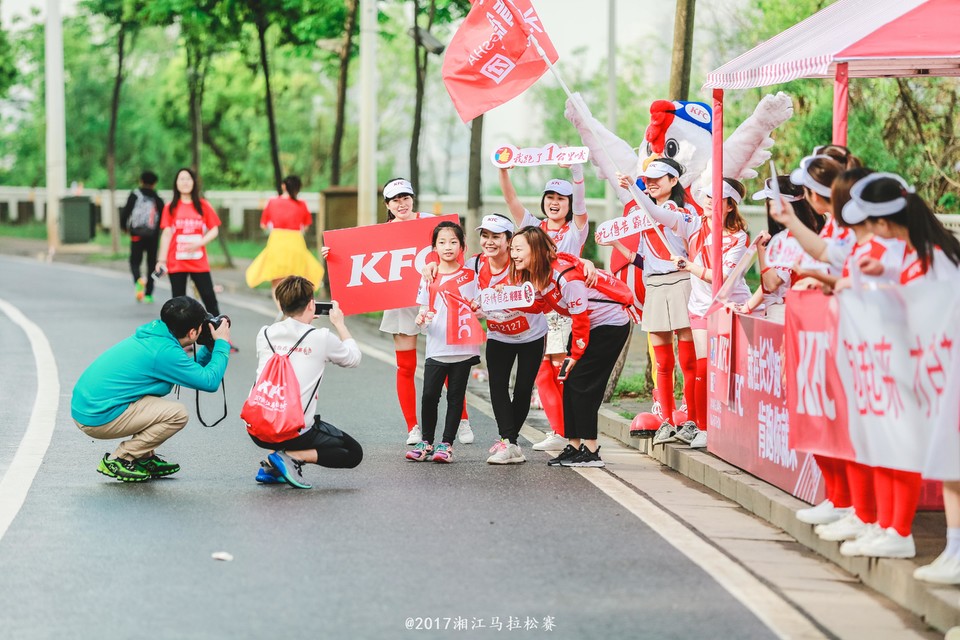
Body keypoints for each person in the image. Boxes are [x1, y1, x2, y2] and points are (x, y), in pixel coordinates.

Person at [832, 173, 960, 561]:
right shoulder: (913, 253)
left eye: (869, 226)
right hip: (912, 369)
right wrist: (882, 277)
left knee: (939, 461)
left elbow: (935, 307)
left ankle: (907, 533)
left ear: (884, 224)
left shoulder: (934, 257)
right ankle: (895, 529)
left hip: (935, 374)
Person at [322, 178, 472, 446]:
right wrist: (333, 254)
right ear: (387, 205)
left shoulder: (432, 224)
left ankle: (462, 419)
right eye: (395, 200)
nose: (401, 204)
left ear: (413, 199)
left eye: (405, 198)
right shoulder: (380, 234)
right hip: (401, 303)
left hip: (439, 299)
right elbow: (354, 257)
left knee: (451, 363)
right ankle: (413, 427)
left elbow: (459, 250)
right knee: (406, 366)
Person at [632, 177, 751, 449]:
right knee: (701, 366)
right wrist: (631, 186)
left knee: (727, 368)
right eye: (707, 197)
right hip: (699, 307)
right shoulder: (694, 223)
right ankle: (698, 425)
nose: (708, 202)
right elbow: (655, 212)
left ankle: (726, 425)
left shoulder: (738, 237)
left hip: (729, 306)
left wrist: (687, 266)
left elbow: (719, 278)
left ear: (730, 206)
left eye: (715, 198)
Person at [71, 296, 231, 482]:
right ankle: (122, 457)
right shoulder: (164, 352)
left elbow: (185, 370)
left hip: (90, 407)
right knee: (177, 414)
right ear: (193, 332)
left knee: (154, 403)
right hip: (96, 416)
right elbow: (209, 382)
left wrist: (211, 347)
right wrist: (222, 344)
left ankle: (143, 457)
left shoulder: (157, 334)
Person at [511, 226, 631, 468]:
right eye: (512, 248)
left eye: (518, 249)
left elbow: (581, 319)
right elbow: (541, 306)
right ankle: (574, 445)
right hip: (587, 328)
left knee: (582, 384)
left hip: (609, 327)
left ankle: (591, 450)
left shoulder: (566, 277)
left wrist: (575, 355)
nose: (513, 254)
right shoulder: (540, 274)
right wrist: (505, 305)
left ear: (535, 250)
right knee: (569, 381)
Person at [499, 163, 589, 452]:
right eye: (550, 197)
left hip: (564, 306)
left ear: (569, 203)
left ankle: (569, 431)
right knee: (540, 372)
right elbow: (511, 201)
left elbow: (583, 207)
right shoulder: (533, 228)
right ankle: (557, 430)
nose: (554, 203)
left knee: (561, 370)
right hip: (537, 307)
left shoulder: (575, 230)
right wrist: (503, 170)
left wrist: (577, 174)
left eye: (561, 198)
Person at [608, 158, 695, 442]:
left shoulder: (683, 212)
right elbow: (646, 261)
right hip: (656, 286)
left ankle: (692, 419)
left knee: (688, 360)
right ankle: (667, 421)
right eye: (648, 178)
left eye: (660, 177)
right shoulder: (644, 215)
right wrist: (616, 244)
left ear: (674, 180)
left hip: (682, 283)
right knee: (662, 362)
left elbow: (659, 215)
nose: (652, 182)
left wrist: (633, 187)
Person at [250, 276, 363, 489]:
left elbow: (288, 335)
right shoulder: (320, 337)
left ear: (281, 304)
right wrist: (339, 324)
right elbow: (353, 358)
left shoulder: (264, 333)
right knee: (353, 452)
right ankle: (292, 457)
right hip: (294, 432)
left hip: (258, 430)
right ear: (311, 304)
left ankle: (271, 466)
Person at [405, 222, 481, 464]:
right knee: (429, 395)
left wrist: (478, 311)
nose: (448, 247)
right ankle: (426, 441)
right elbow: (424, 308)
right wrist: (421, 318)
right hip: (436, 345)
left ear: (462, 245)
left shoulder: (471, 275)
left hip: (463, 346)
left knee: (456, 397)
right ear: (434, 247)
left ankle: (446, 444)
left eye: (453, 242)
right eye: (442, 242)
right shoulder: (430, 274)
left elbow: (478, 307)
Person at [733, 175, 822, 321]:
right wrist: (748, 306)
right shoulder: (809, 232)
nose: (766, 206)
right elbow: (778, 281)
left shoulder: (789, 238)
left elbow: (772, 283)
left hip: (787, 311)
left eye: (767, 201)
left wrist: (761, 250)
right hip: (801, 307)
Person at [245, 175, 325, 310]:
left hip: (277, 241)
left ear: (283, 186)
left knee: (276, 279)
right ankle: (294, 310)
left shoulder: (272, 202)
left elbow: (264, 225)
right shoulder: (302, 204)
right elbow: (306, 226)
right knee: (296, 280)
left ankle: (282, 310)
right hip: (296, 241)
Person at [156, 168, 224, 317]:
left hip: (198, 261)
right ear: (176, 183)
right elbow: (166, 234)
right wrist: (161, 261)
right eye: (181, 179)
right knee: (178, 303)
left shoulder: (202, 205)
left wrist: (200, 243)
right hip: (177, 261)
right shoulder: (170, 207)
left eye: (188, 179)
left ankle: (218, 333)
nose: (185, 182)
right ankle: (180, 337)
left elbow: (214, 229)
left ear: (194, 182)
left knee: (209, 298)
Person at [119, 170, 164, 304]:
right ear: (155, 183)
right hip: (153, 237)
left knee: (134, 261)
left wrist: (125, 228)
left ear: (141, 181)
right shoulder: (157, 198)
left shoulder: (134, 195)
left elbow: (125, 212)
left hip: (136, 235)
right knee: (152, 264)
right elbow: (163, 217)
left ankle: (138, 279)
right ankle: (149, 293)